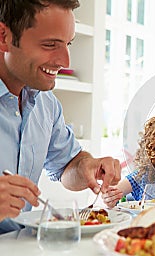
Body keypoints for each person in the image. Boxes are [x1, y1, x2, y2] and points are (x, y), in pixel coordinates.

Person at [0, 0, 121, 234]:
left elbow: (67, 166)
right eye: (49, 45)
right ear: (3, 36)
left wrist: (86, 166)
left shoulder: (46, 104)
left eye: (68, 44)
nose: (65, 61)